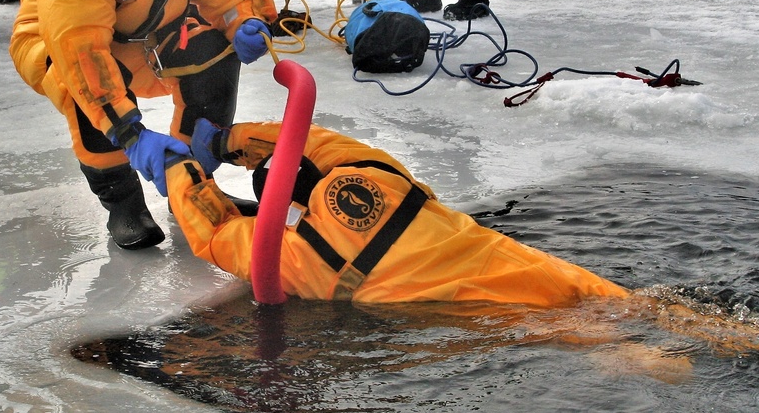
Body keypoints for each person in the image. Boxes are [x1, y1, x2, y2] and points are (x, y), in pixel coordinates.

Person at [9, 0, 278, 250]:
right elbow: (83, 58)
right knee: (86, 90)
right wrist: (132, 137)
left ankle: (193, 184)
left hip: (145, 38)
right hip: (56, 45)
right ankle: (124, 206)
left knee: (215, 48)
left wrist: (247, 22)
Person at [168, 120, 629, 306]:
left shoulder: (303, 256)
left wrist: (177, 168)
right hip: (519, 261)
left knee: (586, 334)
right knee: (622, 305)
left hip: (485, 306)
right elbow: (315, 139)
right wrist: (231, 139)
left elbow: (215, 233)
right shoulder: (378, 172)